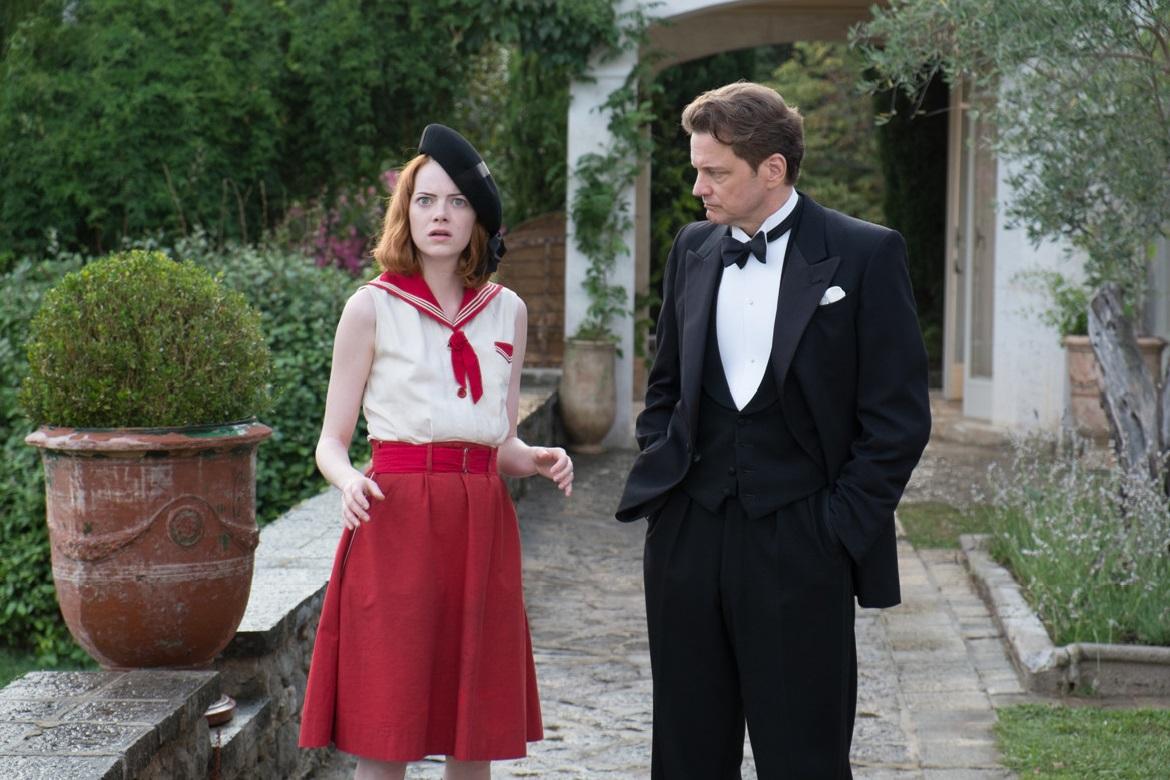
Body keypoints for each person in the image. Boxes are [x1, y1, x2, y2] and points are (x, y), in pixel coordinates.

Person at [616, 82, 931, 778]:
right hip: (688, 537)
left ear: (772, 169)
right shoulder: (692, 249)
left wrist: (836, 529)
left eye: (714, 172)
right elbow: (665, 389)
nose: (698, 187)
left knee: (804, 759)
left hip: (803, 542)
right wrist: (666, 487)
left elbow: (899, 418)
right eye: (697, 169)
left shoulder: (865, 253)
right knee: (686, 757)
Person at [299, 123, 573, 780]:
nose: (440, 215)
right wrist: (348, 481)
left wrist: (533, 457)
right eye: (424, 200)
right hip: (395, 521)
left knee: (472, 734)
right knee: (386, 729)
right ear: (406, 213)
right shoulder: (370, 308)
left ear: (477, 218)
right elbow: (331, 443)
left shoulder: (507, 311)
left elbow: (498, 441)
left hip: (481, 525)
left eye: (456, 202)